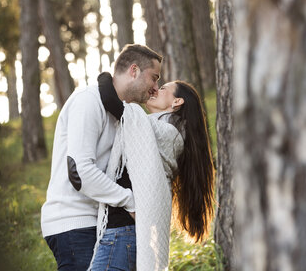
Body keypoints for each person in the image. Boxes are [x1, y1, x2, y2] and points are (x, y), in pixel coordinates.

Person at [40, 44, 162, 271]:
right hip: (74, 222)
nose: (156, 88)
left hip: (99, 222)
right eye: (154, 78)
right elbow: (79, 172)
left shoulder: (124, 114)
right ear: (134, 71)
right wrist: (130, 201)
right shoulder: (88, 100)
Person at [90, 81, 215, 271]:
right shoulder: (157, 128)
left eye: (163, 88)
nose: (156, 89)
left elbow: (109, 99)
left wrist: (109, 77)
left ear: (177, 102)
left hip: (123, 232)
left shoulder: (168, 133)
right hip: (123, 230)